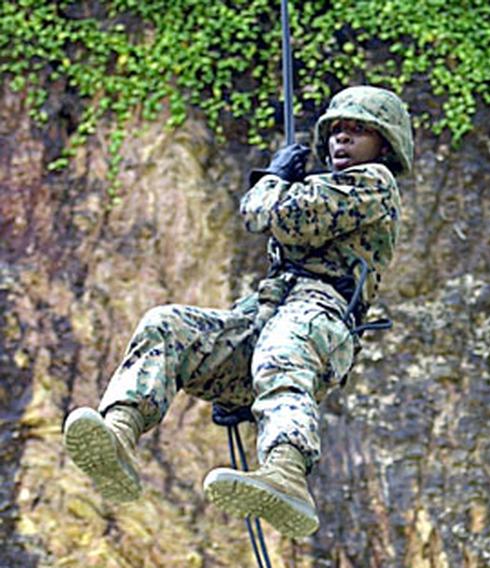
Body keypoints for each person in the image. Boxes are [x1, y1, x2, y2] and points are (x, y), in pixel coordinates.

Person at [62, 85, 412, 539]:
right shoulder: (327, 188)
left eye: (358, 131)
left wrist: (271, 181)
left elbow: (274, 215)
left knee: (282, 349)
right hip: (270, 314)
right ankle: (120, 430)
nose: (341, 140)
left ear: (383, 146)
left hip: (318, 316)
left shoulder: (374, 185)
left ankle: (286, 471)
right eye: (336, 131)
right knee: (169, 327)